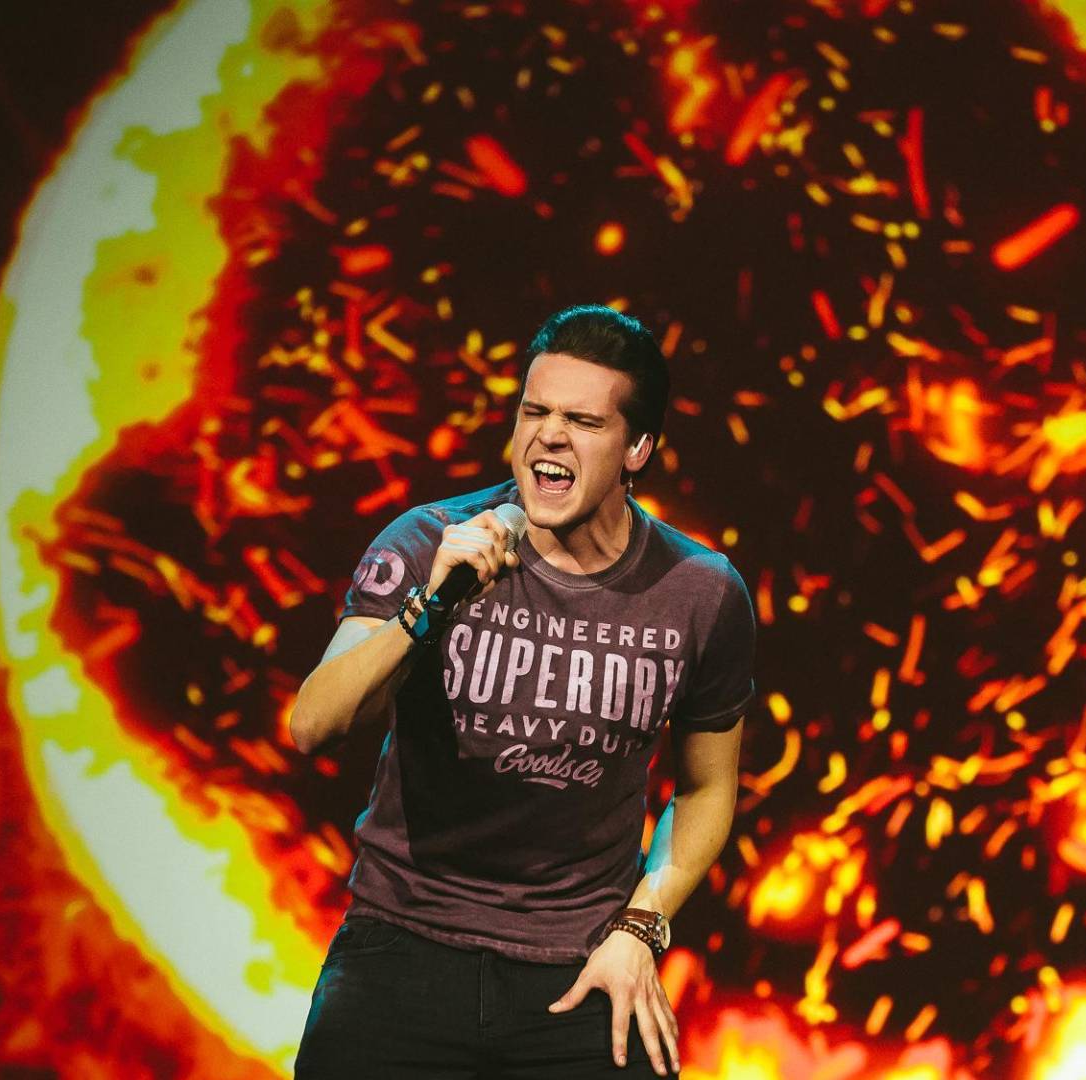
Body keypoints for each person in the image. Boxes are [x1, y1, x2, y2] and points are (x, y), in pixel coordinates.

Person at [288, 305, 753, 1078]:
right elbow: (313, 723)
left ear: (638, 449)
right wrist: (429, 605)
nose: (550, 436)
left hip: (580, 963)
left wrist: (641, 928)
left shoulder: (700, 591)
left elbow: (708, 788)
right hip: (403, 945)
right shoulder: (428, 541)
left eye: (582, 421)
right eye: (535, 412)